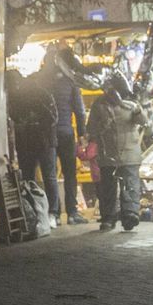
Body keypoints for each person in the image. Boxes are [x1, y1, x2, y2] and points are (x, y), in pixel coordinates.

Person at [86, 72, 147, 232]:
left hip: (111, 153)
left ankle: (112, 217)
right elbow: (143, 121)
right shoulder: (130, 103)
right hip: (124, 152)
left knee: (111, 186)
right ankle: (128, 214)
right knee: (128, 184)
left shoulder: (100, 104)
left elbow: (90, 129)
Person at [6, 72, 59, 226]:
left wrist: (28, 122)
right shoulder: (44, 95)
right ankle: (51, 213)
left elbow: (16, 118)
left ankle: (38, 212)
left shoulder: (22, 97)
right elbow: (53, 118)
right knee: (48, 177)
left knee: (31, 178)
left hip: (33, 143)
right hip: (44, 142)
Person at [44, 46, 89, 224]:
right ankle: (72, 213)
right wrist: (82, 134)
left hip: (47, 133)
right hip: (66, 132)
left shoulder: (43, 81)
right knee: (70, 173)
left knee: (50, 173)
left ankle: (53, 213)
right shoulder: (71, 82)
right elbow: (80, 111)